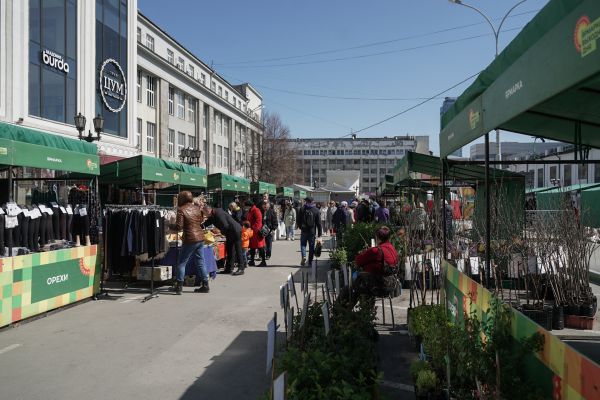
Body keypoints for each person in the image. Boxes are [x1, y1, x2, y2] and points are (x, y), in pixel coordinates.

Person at [344, 226, 399, 305]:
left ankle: (345, 310)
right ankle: (364, 310)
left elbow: (358, 261)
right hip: (392, 285)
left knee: (353, 286)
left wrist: (365, 252)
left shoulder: (376, 250)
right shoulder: (392, 249)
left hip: (378, 286)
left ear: (377, 237)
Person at [175, 191, 209, 294]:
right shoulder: (197, 209)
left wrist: (168, 225)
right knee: (200, 262)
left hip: (190, 238)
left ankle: (179, 286)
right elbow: (199, 222)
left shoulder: (181, 210)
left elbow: (179, 226)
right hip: (200, 238)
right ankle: (205, 285)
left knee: (181, 263)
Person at [203, 205, 246, 275]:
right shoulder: (213, 214)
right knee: (229, 250)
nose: (205, 215)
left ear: (208, 211)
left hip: (235, 231)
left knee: (238, 250)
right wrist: (201, 226)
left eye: (205, 213)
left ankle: (241, 268)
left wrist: (221, 233)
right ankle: (229, 268)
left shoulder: (218, 213)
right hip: (230, 232)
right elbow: (209, 221)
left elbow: (225, 225)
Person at [297, 197, 322, 267]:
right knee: (311, 247)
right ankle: (310, 262)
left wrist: (300, 227)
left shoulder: (302, 209)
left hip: (304, 230)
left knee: (303, 245)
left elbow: (298, 220)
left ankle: (304, 256)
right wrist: (320, 235)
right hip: (312, 231)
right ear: (313, 202)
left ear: (306, 202)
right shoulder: (316, 210)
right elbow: (319, 224)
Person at [246, 199, 267, 266]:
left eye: (246, 206)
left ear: (249, 205)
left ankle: (263, 261)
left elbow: (259, 221)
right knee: (252, 247)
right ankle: (252, 261)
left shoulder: (256, 210)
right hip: (252, 232)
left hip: (257, 233)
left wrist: (253, 229)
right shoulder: (250, 210)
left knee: (260, 247)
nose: (245, 208)